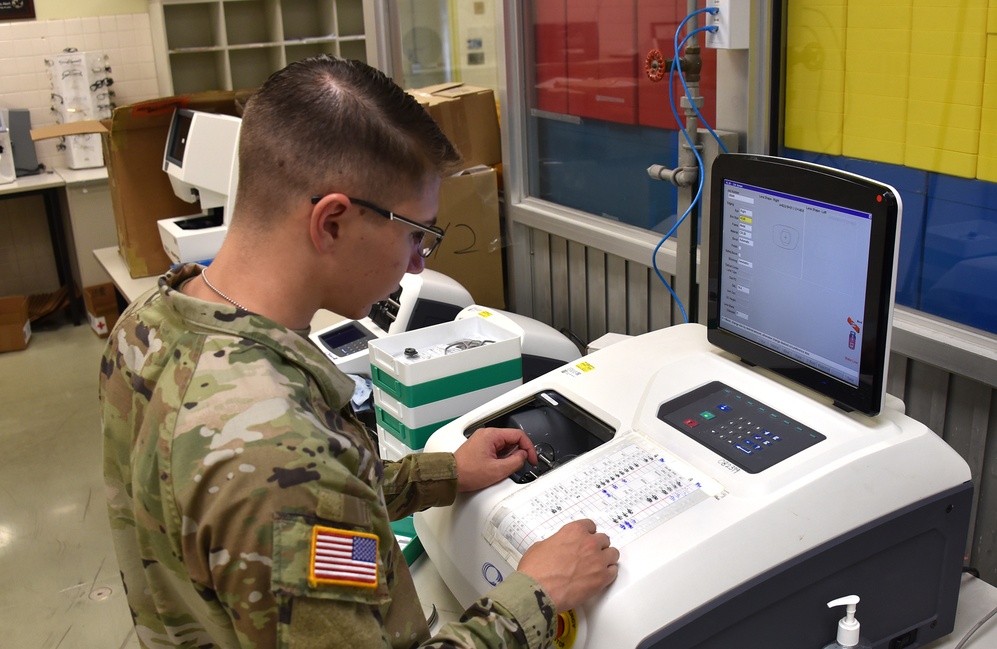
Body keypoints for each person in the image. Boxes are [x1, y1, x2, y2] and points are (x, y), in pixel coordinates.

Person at [100, 55, 619, 649]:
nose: (420, 262)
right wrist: (535, 595)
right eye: (415, 234)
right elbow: (284, 484)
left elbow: (276, 497)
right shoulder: (274, 447)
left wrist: (441, 473)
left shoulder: (150, 324)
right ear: (333, 223)